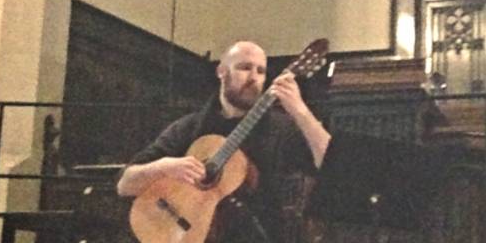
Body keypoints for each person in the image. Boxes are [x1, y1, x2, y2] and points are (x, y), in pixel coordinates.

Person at [117, 41, 332, 242]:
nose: (253, 77)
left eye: (261, 71)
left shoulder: (282, 129)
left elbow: (332, 163)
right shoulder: (189, 127)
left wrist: (300, 110)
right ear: (221, 71)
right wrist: (164, 167)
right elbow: (124, 184)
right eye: (244, 67)